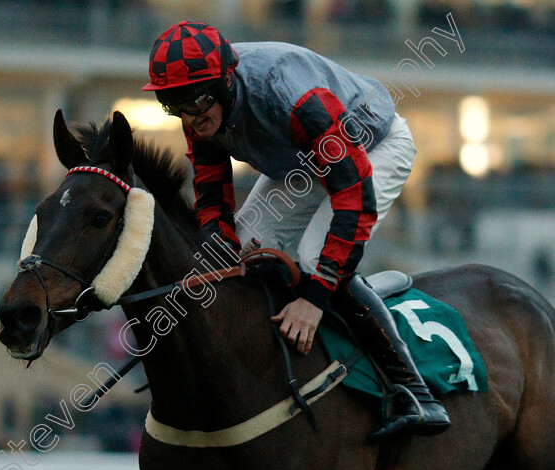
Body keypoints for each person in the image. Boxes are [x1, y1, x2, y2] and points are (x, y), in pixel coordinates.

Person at [142, 20, 449, 441]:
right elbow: (212, 192)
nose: (190, 118)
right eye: (173, 104)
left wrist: (315, 296)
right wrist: (219, 247)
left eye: (195, 101)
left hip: (369, 148)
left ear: (226, 81)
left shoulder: (288, 92)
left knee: (311, 259)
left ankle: (415, 393)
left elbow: (352, 192)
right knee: (239, 254)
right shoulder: (198, 103)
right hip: (302, 161)